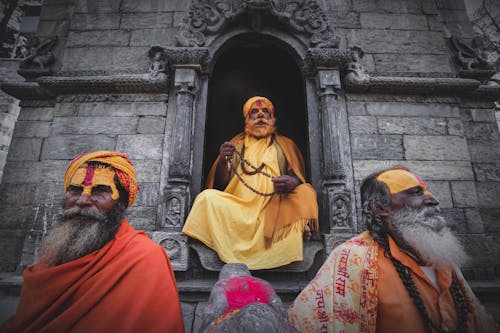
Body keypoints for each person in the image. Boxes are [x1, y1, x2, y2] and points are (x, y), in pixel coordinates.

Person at [288, 167, 498, 333]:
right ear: (381, 208)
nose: (433, 200)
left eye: (426, 191)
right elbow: (307, 322)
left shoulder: (442, 259)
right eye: (415, 193)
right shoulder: (352, 259)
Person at [1, 151, 184, 333]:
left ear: (120, 202)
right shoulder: (52, 257)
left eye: (99, 191)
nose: (82, 200)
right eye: (75, 190)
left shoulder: (144, 257)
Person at [182, 96, 318, 269]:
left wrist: (292, 181)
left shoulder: (285, 145)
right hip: (239, 210)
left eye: (265, 112)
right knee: (206, 198)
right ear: (246, 119)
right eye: (254, 112)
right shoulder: (236, 144)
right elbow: (222, 184)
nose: (260, 116)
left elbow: (297, 176)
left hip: (274, 208)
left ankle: (294, 229)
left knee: (306, 191)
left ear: (272, 118)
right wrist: (224, 160)